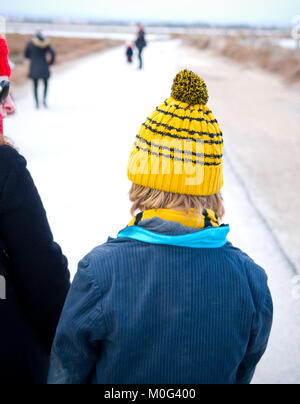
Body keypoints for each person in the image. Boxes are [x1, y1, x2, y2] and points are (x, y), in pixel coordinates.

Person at [48, 69, 273, 384]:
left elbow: (65, 374)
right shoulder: (251, 281)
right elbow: (241, 375)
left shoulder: (100, 273)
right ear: (211, 186)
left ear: (142, 177)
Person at [0, 36, 70, 384]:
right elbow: (44, 275)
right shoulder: (3, 167)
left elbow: (29, 54)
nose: (10, 104)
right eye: (1, 89)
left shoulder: (31, 47)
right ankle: (42, 99)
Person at [24, 32, 55, 108]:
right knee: (46, 84)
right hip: (44, 66)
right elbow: (53, 53)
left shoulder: (30, 43)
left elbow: (26, 55)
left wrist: (32, 57)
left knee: (35, 85)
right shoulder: (46, 43)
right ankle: (44, 101)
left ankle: (37, 103)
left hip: (34, 66)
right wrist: (50, 63)